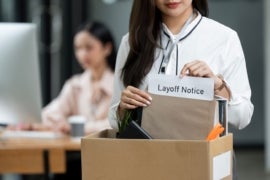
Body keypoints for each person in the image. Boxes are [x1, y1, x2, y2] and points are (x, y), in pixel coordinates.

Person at [108, 0, 253, 131]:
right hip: (145, 155)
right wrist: (122, 109)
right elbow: (114, 121)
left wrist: (218, 86)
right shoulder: (131, 42)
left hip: (202, 155)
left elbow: (243, 117)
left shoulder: (225, 38)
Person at [9, 21, 116, 136]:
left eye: (89, 48)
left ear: (107, 48)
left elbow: (116, 123)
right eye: (78, 48)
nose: (82, 54)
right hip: (76, 149)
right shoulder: (75, 85)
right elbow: (53, 113)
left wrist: (76, 128)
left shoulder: (119, 84)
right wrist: (30, 123)